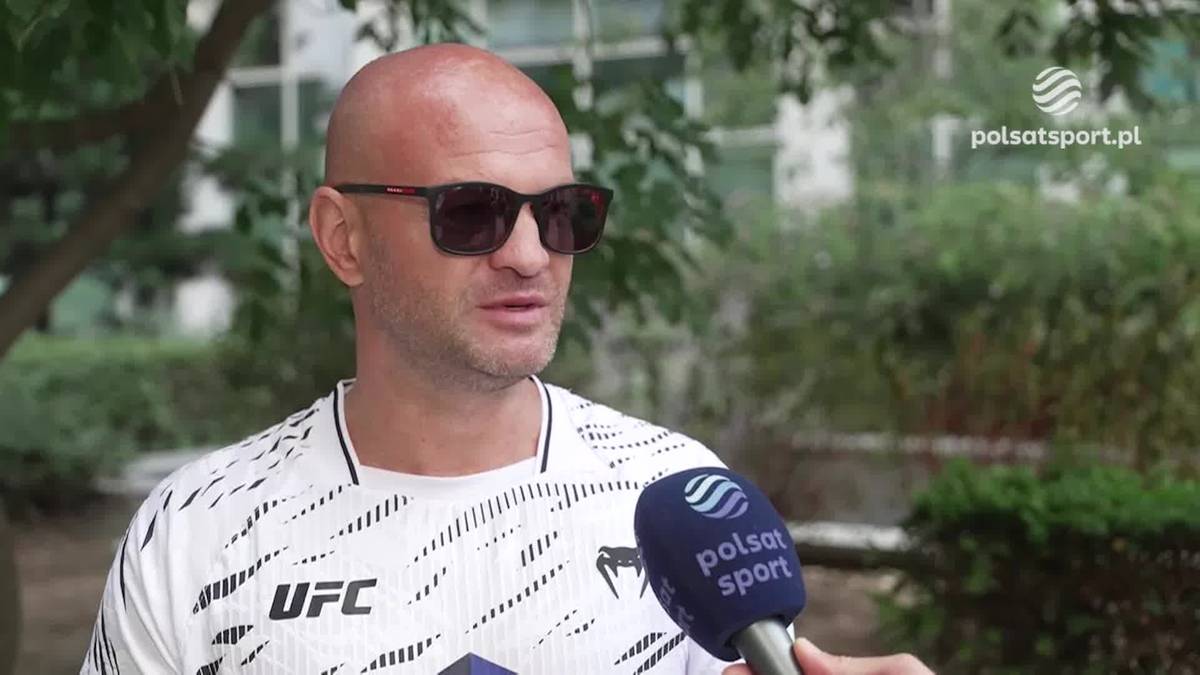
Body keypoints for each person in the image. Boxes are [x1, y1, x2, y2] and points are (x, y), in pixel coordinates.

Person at [81, 44, 932, 675]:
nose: (529, 255)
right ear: (343, 237)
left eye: (562, 213)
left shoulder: (680, 501)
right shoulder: (197, 531)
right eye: (471, 212)